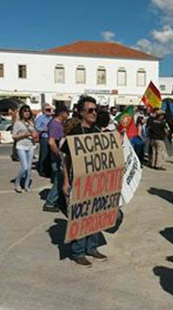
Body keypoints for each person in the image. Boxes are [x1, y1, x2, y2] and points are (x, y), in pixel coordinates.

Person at [61, 95, 108, 267]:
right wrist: (65, 182)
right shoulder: (74, 133)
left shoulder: (97, 131)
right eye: (90, 110)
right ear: (81, 113)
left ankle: (92, 247)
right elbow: (66, 160)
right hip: (79, 182)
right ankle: (78, 252)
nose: (94, 113)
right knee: (81, 216)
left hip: (96, 182)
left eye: (96, 110)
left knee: (96, 215)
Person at [43, 105, 69, 212]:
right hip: (57, 157)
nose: (68, 115)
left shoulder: (58, 124)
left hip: (58, 156)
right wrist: (59, 155)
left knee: (60, 178)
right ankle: (50, 202)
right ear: (62, 113)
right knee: (59, 180)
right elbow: (51, 142)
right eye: (67, 113)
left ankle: (57, 200)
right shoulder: (55, 124)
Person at [12, 105, 37, 193]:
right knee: (25, 167)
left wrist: (35, 135)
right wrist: (24, 135)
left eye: (28, 111)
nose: (27, 113)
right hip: (21, 146)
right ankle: (17, 183)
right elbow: (14, 136)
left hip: (30, 146)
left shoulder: (31, 122)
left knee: (29, 168)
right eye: (25, 111)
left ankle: (26, 186)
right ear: (21, 113)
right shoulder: (18, 123)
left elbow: (34, 132)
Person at [35, 103, 54, 176]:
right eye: (47, 110)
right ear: (43, 110)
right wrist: (44, 129)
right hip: (44, 137)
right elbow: (37, 127)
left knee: (49, 154)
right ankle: (42, 170)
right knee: (44, 153)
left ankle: (48, 170)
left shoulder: (52, 118)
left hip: (51, 137)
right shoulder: (41, 118)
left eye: (50, 109)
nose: (49, 111)